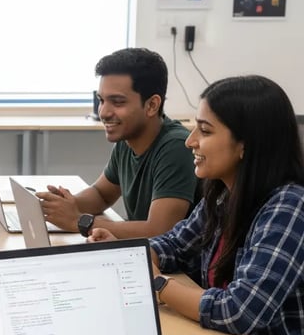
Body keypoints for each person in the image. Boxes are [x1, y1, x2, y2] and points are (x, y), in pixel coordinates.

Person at [90, 75, 304, 335]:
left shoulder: (288, 206)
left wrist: (158, 285)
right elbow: (176, 245)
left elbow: (239, 311)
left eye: (204, 131)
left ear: (246, 144)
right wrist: (128, 257)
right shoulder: (223, 194)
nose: (190, 141)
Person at [37, 48, 197, 239]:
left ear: (152, 105)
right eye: (101, 100)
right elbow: (101, 194)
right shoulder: (127, 139)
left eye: (118, 102)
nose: (103, 112)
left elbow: (159, 230)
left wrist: (78, 221)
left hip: (173, 267)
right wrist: (62, 205)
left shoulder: (176, 147)